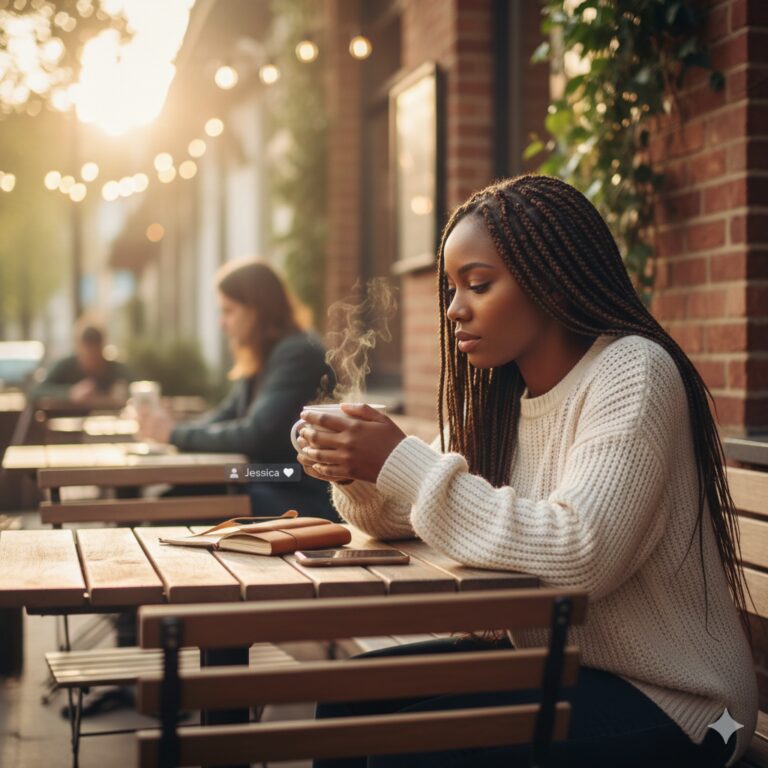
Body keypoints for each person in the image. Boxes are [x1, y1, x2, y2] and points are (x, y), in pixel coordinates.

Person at [295, 175, 758, 767]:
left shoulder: (632, 372)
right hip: (564, 668)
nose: (455, 309)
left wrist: (398, 460)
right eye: (451, 288)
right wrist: (355, 468)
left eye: (478, 285)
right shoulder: (499, 395)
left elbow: (581, 552)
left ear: (550, 281)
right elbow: (402, 516)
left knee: (406, 753)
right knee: (347, 698)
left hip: (682, 704)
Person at [138, 258, 337, 520]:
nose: (222, 323)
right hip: (263, 476)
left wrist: (174, 434)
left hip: (295, 484)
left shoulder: (296, 353)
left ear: (257, 310)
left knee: (171, 506)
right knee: (170, 500)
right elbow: (225, 416)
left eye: (229, 311)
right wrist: (173, 428)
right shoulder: (264, 355)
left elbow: (254, 434)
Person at [34, 322, 132, 403]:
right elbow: (36, 391)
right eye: (88, 356)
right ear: (79, 349)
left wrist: (125, 391)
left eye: (96, 356)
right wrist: (70, 393)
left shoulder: (115, 368)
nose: (93, 361)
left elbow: (138, 386)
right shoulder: (65, 366)